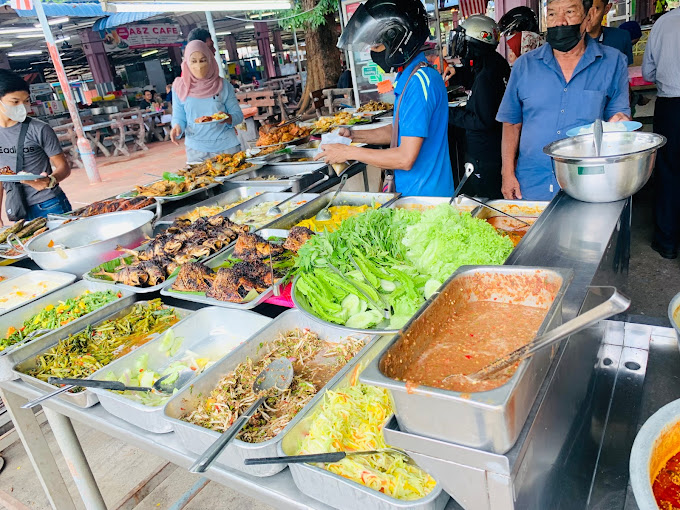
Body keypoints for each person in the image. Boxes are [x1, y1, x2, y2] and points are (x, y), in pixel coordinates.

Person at [315, 0, 453, 197]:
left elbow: (405, 158)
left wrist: (348, 153)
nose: (373, 52)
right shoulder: (410, 77)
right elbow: (398, 130)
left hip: (427, 198)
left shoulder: (419, 82)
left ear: (398, 41)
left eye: (377, 45)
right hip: (413, 193)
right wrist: (353, 136)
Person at [496, 0, 630, 201]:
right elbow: (512, 123)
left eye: (569, 12)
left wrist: (620, 121)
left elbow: (619, 116)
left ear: (588, 17)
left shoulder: (613, 62)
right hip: (532, 185)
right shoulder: (525, 66)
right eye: (551, 14)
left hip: (588, 185)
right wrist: (507, 174)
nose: (560, 22)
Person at [447, 15, 510, 199]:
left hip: (484, 155)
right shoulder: (496, 62)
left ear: (474, 43)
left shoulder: (486, 77)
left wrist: (447, 113)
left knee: (487, 199)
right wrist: (457, 73)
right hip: (495, 148)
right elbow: (473, 74)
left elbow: (481, 120)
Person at [0, 70, 71, 222]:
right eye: (15, 102)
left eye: (26, 101)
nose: (23, 106)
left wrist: (50, 180)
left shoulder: (39, 129)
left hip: (49, 204)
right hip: (18, 208)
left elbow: (63, 168)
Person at [642, 7, 680, 259]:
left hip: (672, 107)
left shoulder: (664, 23)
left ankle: (667, 242)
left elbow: (648, 73)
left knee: (668, 172)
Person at [170, 40, 244, 163]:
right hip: (196, 150)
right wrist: (177, 127)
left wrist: (228, 118)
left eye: (203, 60)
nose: (198, 66)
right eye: (194, 61)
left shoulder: (223, 85)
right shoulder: (179, 86)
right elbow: (179, 116)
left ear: (210, 60)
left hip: (227, 147)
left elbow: (238, 115)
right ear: (186, 62)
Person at [587, 0, 634, 64]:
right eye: (585, 8)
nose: (588, 15)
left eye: (596, 9)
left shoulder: (621, 37)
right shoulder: (571, 41)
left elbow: (626, 70)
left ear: (607, 9)